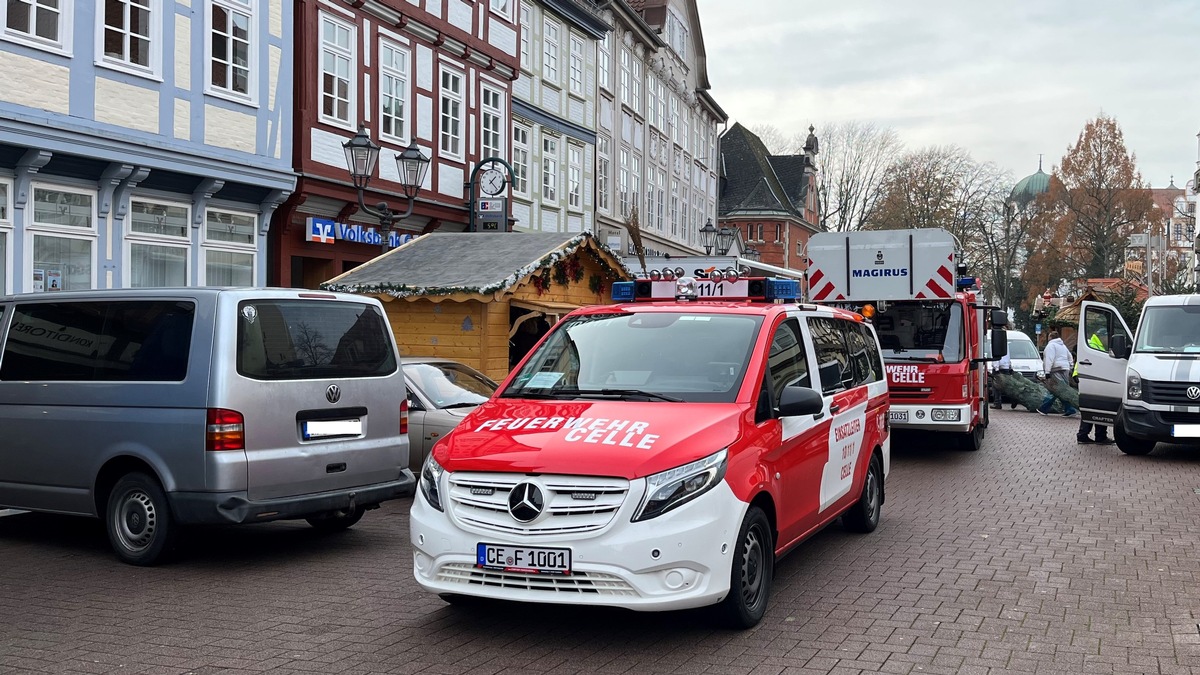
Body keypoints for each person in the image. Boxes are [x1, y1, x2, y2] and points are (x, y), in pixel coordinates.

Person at [1075, 328, 1112, 444]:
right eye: (1107, 337)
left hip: (1089, 379)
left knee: (1096, 409)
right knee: (1093, 408)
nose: (1108, 340)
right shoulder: (1094, 345)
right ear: (1102, 336)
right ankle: (1086, 435)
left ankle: (1096, 436)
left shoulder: (1096, 344)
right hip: (1090, 379)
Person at [1038, 331, 1078, 417]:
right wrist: (1070, 366)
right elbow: (1070, 357)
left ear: (1050, 337)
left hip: (1055, 369)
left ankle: (1044, 407)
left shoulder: (1050, 346)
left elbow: (1049, 359)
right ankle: (1069, 409)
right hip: (1065, 369)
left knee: (1055, 389)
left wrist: (1047, 372)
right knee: (1063, 389)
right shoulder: (1063, 346)